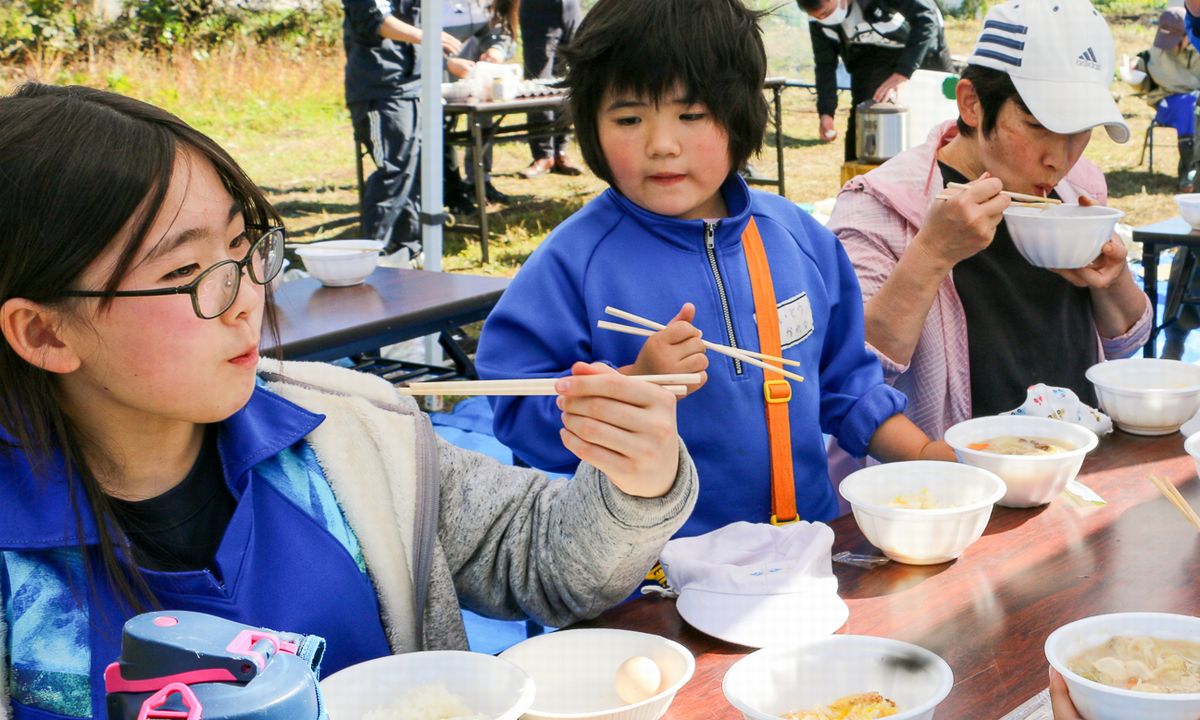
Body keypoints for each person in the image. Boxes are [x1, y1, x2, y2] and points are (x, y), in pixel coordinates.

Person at [0, 83, 699, 718]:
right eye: (187, 271)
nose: (248, 298)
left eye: (245, 250)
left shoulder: (351, 433)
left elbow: (549, 562)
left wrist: (636, 479)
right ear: (43, 332)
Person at [474, 0, 954, 540]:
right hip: (648, 580)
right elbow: (521, 412)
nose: (661, 144)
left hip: (803, 553)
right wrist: (636, 384)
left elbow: (847, 386)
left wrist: (931, 458)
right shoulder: (572, 262)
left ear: (740, 113)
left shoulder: (798, 240)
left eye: (692, 114)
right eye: (629, 118)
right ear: (592, 126)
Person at [824, 0, 1151, 480]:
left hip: (1072, 469)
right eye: (1040, 126)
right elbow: (848, 375)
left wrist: (1113, 280)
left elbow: (1124, 346)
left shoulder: (1081, 187)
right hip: (955, 490)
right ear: (972, 103)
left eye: (1080, 131)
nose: (1059, 159)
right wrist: (932, 254)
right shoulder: (881, 205)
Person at [342, 0, 474, 263]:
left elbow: (413, 30)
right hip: (380, 88)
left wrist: (446, 63)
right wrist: (430, 37)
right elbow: (377, 21)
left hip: (412, 87)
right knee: (394, 170)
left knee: (417, 173)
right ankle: (372, 257)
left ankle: (407, 251)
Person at [796, 0, 953, 162]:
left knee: (933, 122)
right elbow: (825, 65)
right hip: (868, 54)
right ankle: (859, 181)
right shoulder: (817, 20)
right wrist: (826, 112)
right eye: (817, 16)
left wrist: (903, 73)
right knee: (863, 127)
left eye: (826, 13)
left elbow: (926, 19)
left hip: (920, 46)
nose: (822, 19)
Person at [443, 0, 519, 213]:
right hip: (430, 80)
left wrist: (496, 50)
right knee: (440, 130)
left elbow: (501, 31)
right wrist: (445, 64)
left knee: (483, 121)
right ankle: (451, 191)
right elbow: (412, 43)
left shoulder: (488, 4)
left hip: (473, 81)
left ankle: (479, 182)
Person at [517, 0, 585, 178]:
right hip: (538, 11)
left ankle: (561, 150)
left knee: (570, 80)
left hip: (571, 7)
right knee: (539, 83)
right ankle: (543, 154)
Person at [1141, 7, 1200, 192]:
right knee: (1188, 105)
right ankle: (1187, 169)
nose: (1170, 45)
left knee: (1193, 104)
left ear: (1186, 35)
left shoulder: (1196, 47)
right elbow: (1169, 79)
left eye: (1174, 40)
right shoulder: (1159, 50)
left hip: (1191, 100)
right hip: (1166, 102)